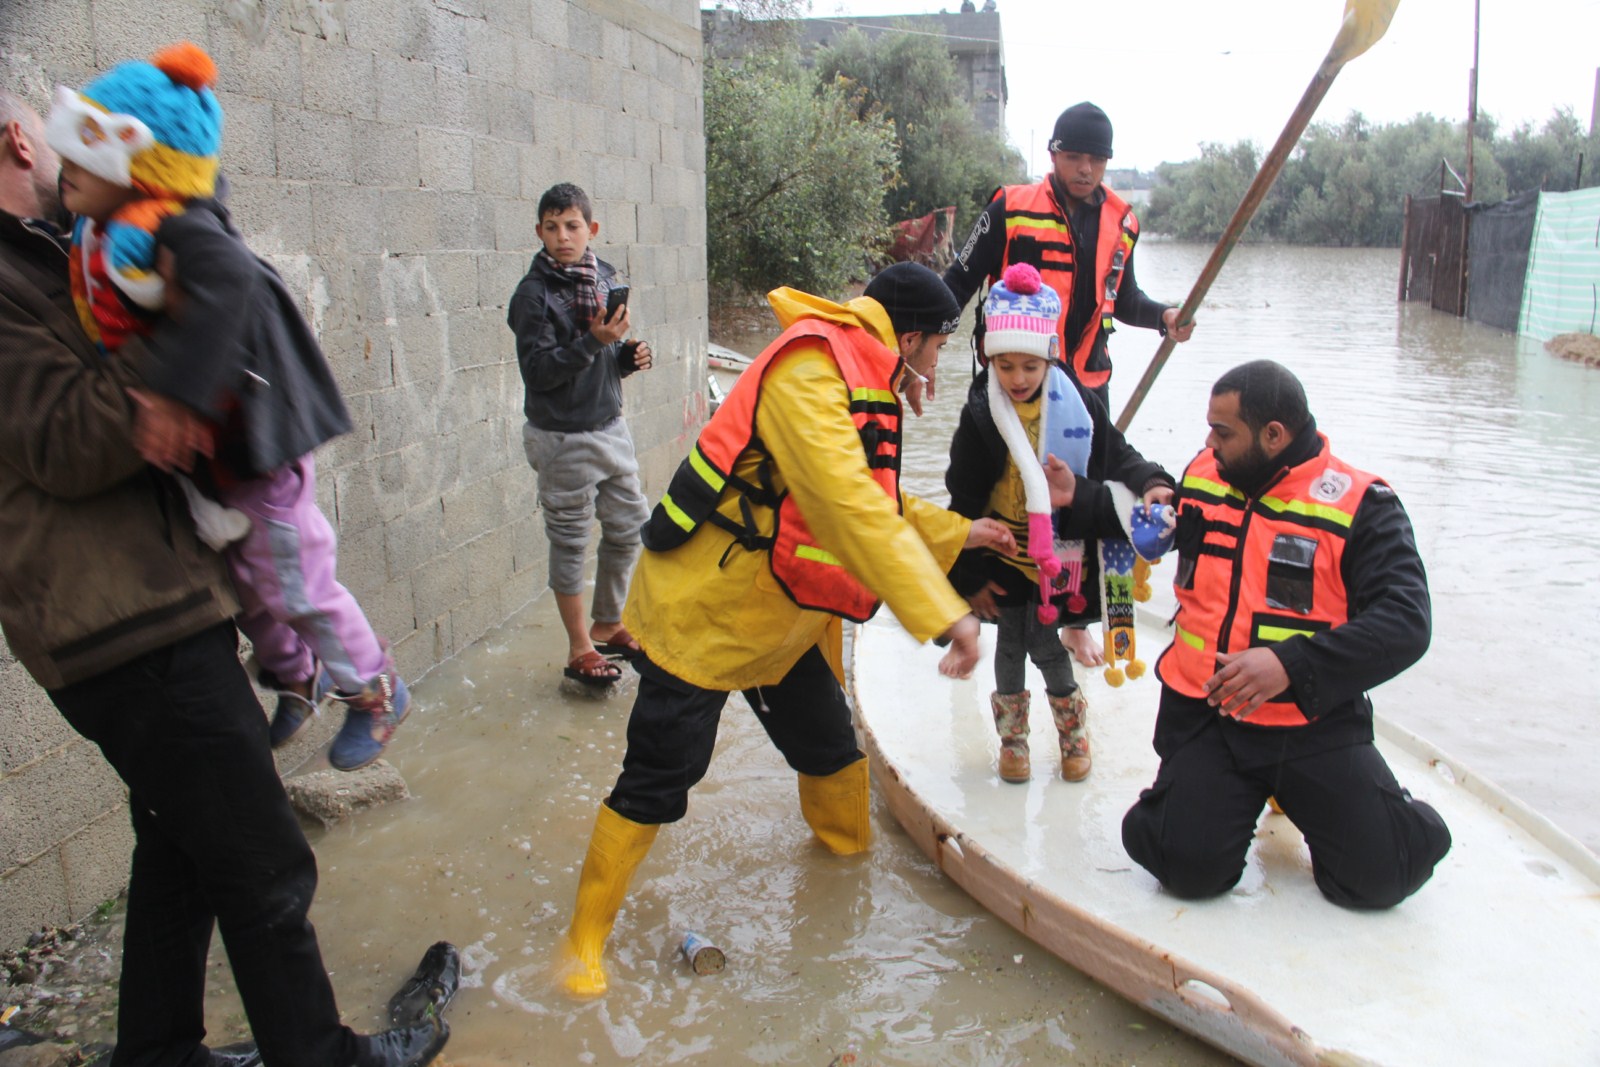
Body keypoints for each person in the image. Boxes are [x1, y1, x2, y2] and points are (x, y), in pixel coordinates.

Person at [0, 89, 447, 1066]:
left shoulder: (65, 243)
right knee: (263, 858)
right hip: (126, 621)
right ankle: (319, 1055)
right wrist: (170, 375)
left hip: (148, 602)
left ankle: (158, 1052)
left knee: (182, 843)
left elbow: (198, 236)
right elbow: (62, 439)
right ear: (18, 141)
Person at [559, 263, 1017, 996]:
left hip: (783, 620)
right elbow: (846, 507)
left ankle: (840, 908)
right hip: (706, 618)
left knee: (834, 756)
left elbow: (879, 500)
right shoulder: (811, 372)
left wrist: (965, 532)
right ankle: (582, 943)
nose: (937, 365)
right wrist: (947, 613)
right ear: (908, 339)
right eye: (936, 348)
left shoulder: (864, 376)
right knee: (658, 780)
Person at [44, 43, 409, 771]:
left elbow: (232, 282)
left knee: (296, 584)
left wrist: (174, 394)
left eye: (83, 155)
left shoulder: (179, 227)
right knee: (247, 587)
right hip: (216, 461)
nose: (66, 171)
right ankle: (297, 676)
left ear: (140, 164)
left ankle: (375, 690)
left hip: (257, 448)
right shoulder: (99, 225)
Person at [1120, 360, 1452, 909]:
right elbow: (1139, 494)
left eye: (1223, 431)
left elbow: (1408, 621)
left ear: (1273, 435)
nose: (1209, 442)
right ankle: (1203, 794)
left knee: (1380, 880)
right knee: (1186, 870)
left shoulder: (1363, 506)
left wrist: (1289, 667)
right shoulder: (1204, 473)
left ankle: (1381, 806)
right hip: (1211, 717)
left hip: (1311, 723)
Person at [943, 101, 1194, 669]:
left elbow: (1123, 298)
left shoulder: (1124, 221)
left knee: (1083, 502)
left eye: (1096, 159)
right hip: (1014, 380)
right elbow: (958, 280)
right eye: (1075, 156)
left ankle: (1077, 620)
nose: (1086, 168)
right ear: (1054, 155)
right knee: (996, 486)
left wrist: (1163, 318)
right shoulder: (1010, 207)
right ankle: (987, 586)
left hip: (1085, 389)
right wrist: (922, 347)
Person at [945, 264, 1174, 784]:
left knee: (1048, 647)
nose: (1018, 378)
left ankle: (1073, 738)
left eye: (1030, 365)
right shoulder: (980, 413)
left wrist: (1153, 480)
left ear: (1050, 356)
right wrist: (971, 577)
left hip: (1059, 562)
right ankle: (1014, 743)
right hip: (1002, 555)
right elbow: (962, 499)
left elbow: (1117, 453)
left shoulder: (1079, 402)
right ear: (989, 359)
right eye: (1005, 366)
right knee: (1008, 649)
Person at [508, 182, 653, 687]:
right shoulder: (533, 296)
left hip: (609, 427)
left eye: (572, 226)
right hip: (562, 438)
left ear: (590, 229)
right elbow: (540, 372)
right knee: (571, 542)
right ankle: (579, 649)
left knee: (630, 525)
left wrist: (625, 358)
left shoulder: (603, 277)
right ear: (539, 232)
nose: (563, 237)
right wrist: (594, 341)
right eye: (552, 228)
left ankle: (608, 623)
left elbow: (599, 357)